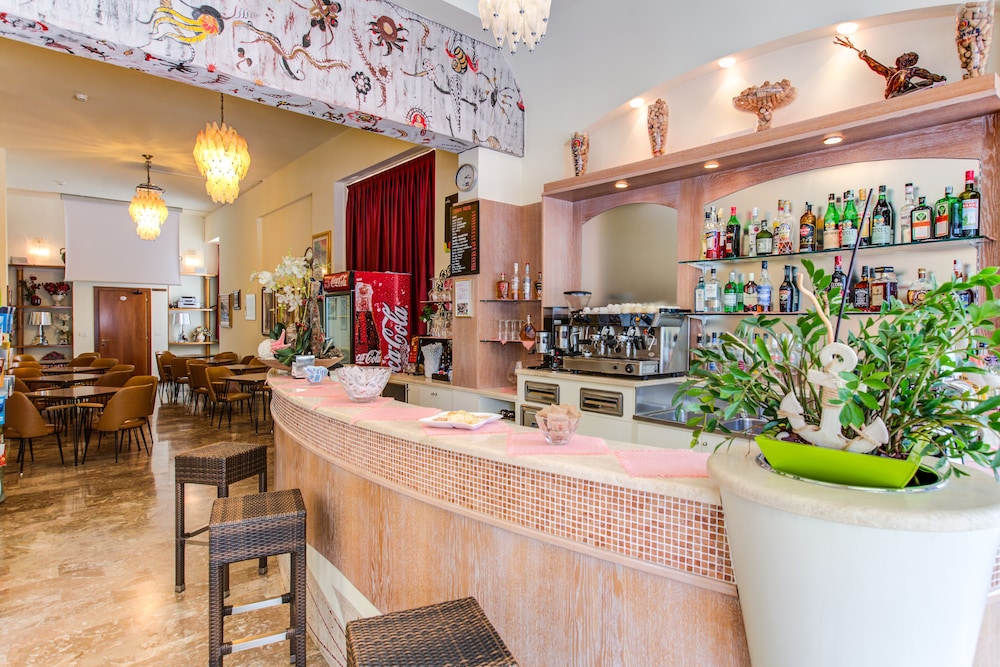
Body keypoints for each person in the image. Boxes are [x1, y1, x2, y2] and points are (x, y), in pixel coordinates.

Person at [834, 36, 946, 99]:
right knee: (901, 74)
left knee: (928, 82)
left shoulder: (910, 71)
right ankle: (896, 94)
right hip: (892, 92)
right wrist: (866, 58)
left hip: (904, 91)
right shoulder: (891, 70)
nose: (902, 56)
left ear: (908, 62)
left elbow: (927, 75)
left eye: (905, 56)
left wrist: (939, 79)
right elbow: (876, 67)